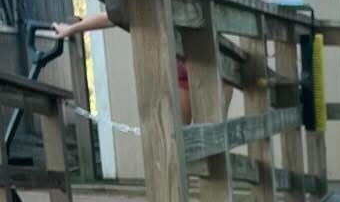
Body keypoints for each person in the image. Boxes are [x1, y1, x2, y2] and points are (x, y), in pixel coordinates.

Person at [50, 11, 239, 127]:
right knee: (179, 136)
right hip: (181, 70)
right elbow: (110, 17)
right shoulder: (140, 7)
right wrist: (73, 29)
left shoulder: (179, 3)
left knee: (213, 132)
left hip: (213, 69)